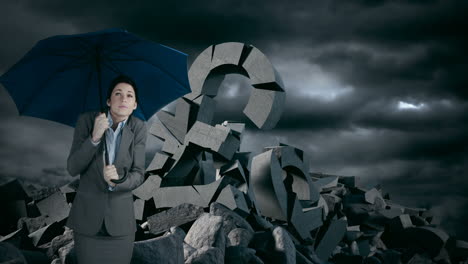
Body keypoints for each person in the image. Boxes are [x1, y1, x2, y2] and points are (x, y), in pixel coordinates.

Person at [66, 75, 147, 264]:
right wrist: (94, 138)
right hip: (87, 222)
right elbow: (73, 167)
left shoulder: (138, 128)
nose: (123, 99)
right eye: (118, 94)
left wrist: (117, 182)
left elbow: (139, 173)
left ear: (135, 104)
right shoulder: (87, 121)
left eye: (129, 95)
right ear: (109, 101)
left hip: (120, 223)